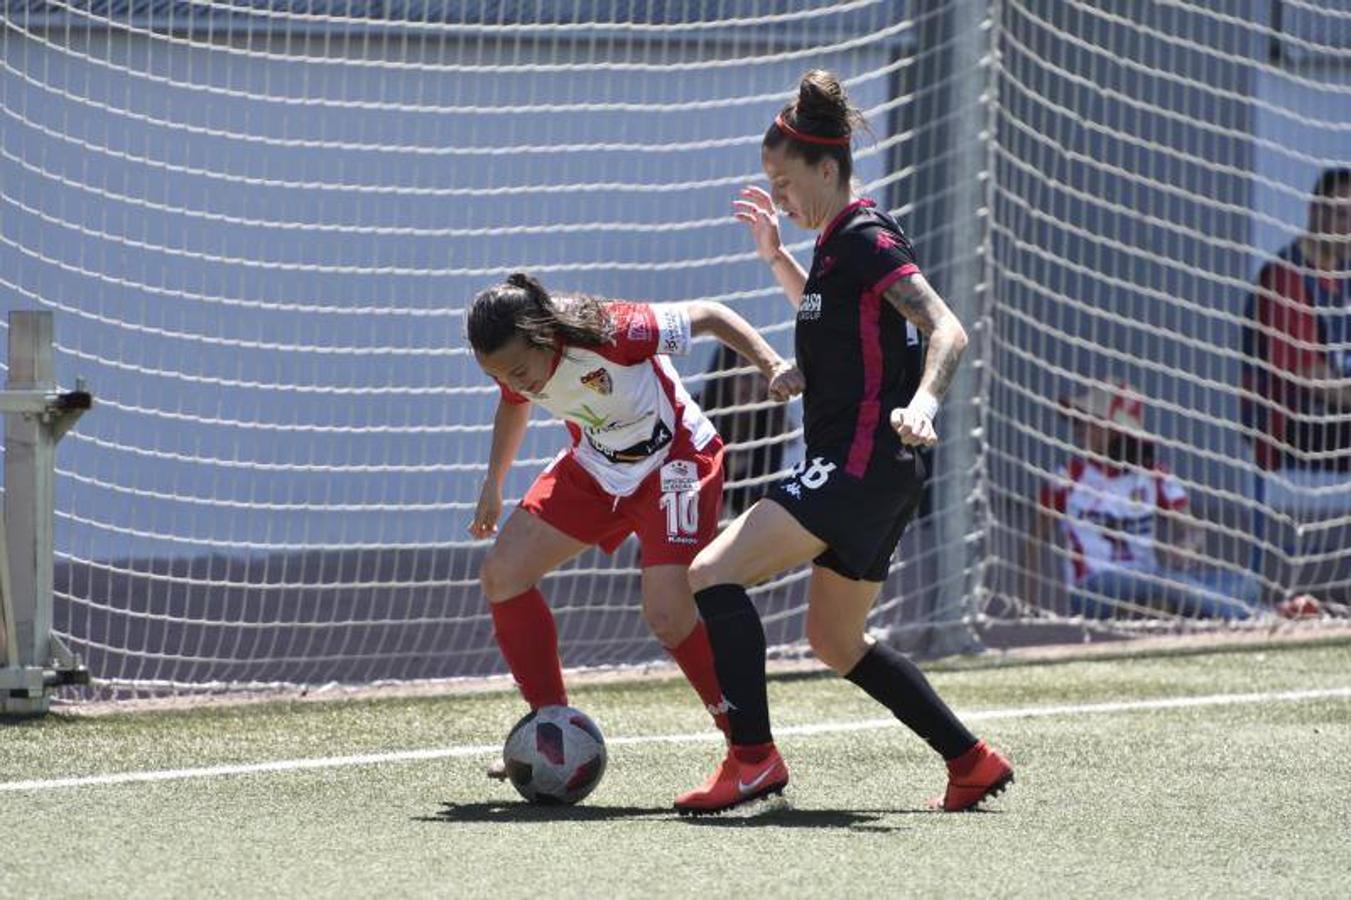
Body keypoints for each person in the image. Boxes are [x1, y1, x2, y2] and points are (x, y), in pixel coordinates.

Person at [673, 70, 1013, 816]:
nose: (780, 197)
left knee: (708, 575)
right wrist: (773, 257)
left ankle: (752, 761)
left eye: (785, 182)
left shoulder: (862, 234)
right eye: (770, 182)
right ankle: (971, 760)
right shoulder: (832, 244)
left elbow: (945, 327)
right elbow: (833, 318)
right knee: (832, 640)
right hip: (875, 473)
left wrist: (923, 403)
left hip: (856, 465)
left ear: (827, 169)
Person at [466, 272, 803, 777]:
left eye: (519, 370)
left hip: (676, 462)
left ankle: (748, 750)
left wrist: (772, 364)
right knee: (503, 575)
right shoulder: (510, 361)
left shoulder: (614, 329)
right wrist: (493, 483)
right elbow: (512, 405)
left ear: (543, 334)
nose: (516, 383)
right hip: (597, 468)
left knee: (667, 612)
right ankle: (549, 732)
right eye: (502, 375)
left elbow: (711, 313)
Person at [1029, 380, 1258, 620]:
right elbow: (1034, 540)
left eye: (1088, 422)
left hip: (1152, 579)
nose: (1079, 429)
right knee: (1168, 583)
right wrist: (1030, 607)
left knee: (1248, 584)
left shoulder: (1153, 476)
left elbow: (1193, 529)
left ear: (1116, 430)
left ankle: (1160, 609)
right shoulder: (1068, 477)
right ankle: (1248, 617)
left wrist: (1187, 547)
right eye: (1078, 422)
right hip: (1094, 586)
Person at [1243, 167, 1351, 610]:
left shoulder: (1344, 277)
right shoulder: (1285, 278)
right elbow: (1305, 372)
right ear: (1313, 211)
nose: (1346, 227)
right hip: (1288, 425)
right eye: (1339, 214)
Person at [697, 343, 794, 517]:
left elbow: (765, 494)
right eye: (745, 377)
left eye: (761, 378)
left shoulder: (770, 428)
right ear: (725, 373)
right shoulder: (697, 414)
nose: (753, 387)